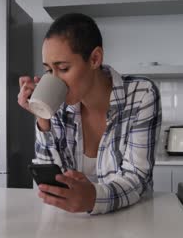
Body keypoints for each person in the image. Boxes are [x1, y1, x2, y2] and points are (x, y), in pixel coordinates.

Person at [17, 13, 161, 215]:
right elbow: (50, 184)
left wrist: (93, 198)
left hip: (131, 221)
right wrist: (42, 116)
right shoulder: (58, 104)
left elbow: (136, 179)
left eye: (64, 68)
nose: (55, 80)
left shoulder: (141, 94)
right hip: (75, 225)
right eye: (49, 70)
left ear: (95, 58)